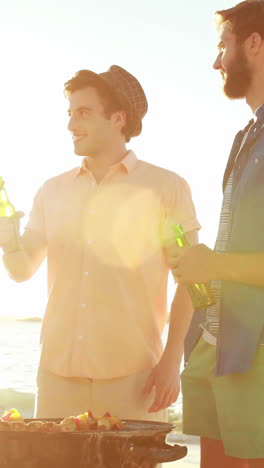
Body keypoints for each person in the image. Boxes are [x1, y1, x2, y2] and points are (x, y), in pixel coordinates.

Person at [0, 65, 200, 424]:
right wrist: (6, 237)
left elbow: (193, 280)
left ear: (118, 119)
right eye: (70, 113)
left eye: (83, 113)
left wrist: (172, 360)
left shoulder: (166, 188)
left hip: (135, 379)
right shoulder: (51, 190)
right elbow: (20, 269)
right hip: (57, 376)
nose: (70, 125)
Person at [169, 1, 264, 467]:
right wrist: (194, 266)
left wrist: (216, 264)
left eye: (222, 45)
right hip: (217, 348)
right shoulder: (246, 135)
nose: (215, 61)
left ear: (254, 43)